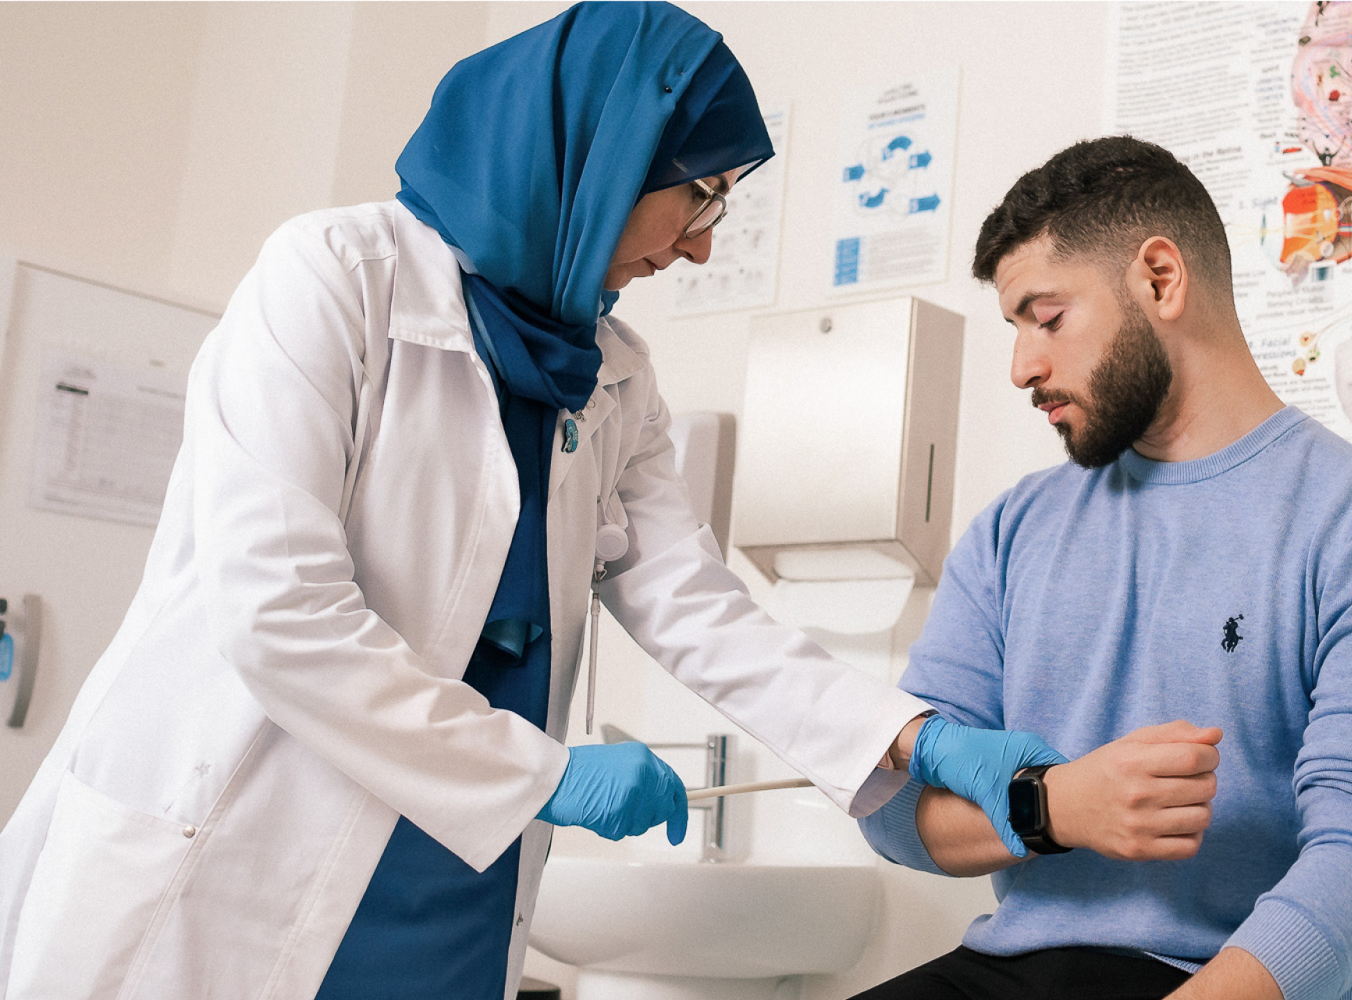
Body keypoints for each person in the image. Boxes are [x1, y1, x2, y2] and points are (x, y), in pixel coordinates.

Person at [0, 6, 1060, 999]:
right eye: (699, 194)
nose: (700, 244)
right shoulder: (331, 280)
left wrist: (910, 736)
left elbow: (695, 606)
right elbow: (278, 613)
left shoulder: (615, 374)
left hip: (453, 869)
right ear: (598, 159)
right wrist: (543, 772)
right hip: (240, 839)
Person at [854, 137, 1352, 1000]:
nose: (1021, 367)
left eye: (1046, 316)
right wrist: (1054, 807)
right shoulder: (1013, 531)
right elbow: (892, 809)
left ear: (1159, 279)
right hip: (1019, 968)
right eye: (1015, 328)